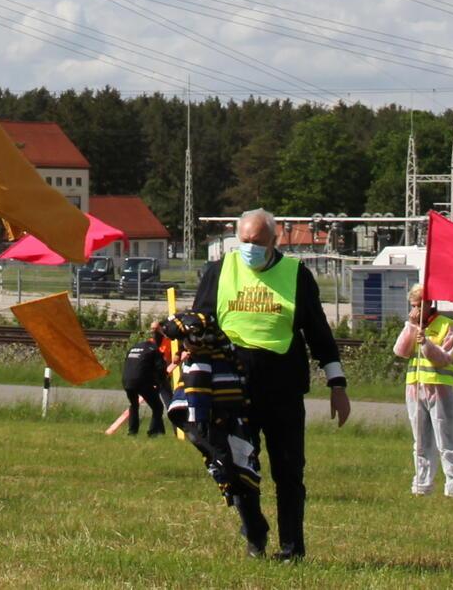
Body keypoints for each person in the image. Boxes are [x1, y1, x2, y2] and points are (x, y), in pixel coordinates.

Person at [191, 209, 351, 562]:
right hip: (232, 390)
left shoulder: (296, 275)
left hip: (283, 389)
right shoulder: (219, 272)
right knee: (235, 468)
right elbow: (199, 324)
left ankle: (292, 548)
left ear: (274, 241)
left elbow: (319, 334)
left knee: (289, 471)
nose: (250, 248)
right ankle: (255, 531)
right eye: (244, 241)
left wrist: (336, 384)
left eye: (258, 242)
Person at [393, 285, 453, 497]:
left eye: (418, 306)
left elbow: (444, 358)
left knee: (447, 440)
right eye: (412, 306)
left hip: (439, 389)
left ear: (429, 304)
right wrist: (411, 326)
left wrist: (426, 343)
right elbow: (400, 351)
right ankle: (421, 485)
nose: (414, 310)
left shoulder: (446, 325)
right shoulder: (414, 324)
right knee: (421, 441)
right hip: (415, 389)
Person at [121, 321, 168, 437]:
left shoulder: (135, 347)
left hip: (126, 380)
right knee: (158, 407)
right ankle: (153, 432)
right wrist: (159, 382)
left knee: (134, 405)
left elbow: (131, 364)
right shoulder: (154, 350)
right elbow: (160, 369)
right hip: (141, 381)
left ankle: (132, 432)